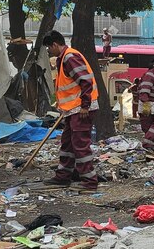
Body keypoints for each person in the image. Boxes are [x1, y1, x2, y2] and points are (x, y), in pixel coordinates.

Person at [43, 30, 99, 191]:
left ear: (55, 44)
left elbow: (85, 81)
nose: (49, 51)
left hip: (81, 109)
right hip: (73, 109)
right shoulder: (64, 58)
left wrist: (85, 106)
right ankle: (63, 176)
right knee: (67, 143)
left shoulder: (70, 57)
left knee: (80, 145)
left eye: (49, 48)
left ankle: (89, 181)